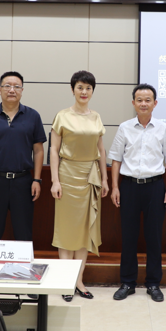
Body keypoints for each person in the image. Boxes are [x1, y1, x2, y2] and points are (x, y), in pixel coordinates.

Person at [109, 83, 166, 302]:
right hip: (129, 186)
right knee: (128, 236)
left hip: (155, 187)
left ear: (155, 103)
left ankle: (153, 283)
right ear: (133, 103)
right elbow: (116, 159)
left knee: (154, 237)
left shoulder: (163, 128)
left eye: (148, 100)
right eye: (139, 100)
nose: (143, 104)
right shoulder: (124, 127)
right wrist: (115, 187)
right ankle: (127, 282)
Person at [0, 72, 46, 257]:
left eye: (16, 86)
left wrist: (37, 179)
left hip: (23, 182)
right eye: (7, 86)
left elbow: (38, 150)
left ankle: (24, 271)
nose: (12, 90)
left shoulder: (33, 116)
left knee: (24, 231)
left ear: (22, 90)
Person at [50, 70, 108, 302]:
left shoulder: (96, 117)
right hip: (67, 175)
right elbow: (54, 150)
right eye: (80, 87)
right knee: (66, 231)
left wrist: (105, 179)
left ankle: (79, 281)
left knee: (85, 232)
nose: (84, 92)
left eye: (88, 88)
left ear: (92, 91)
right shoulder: (62, 116)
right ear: (73, 89)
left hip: (90, 177)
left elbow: (101, 149)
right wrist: (55, 180)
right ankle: (66, 281)